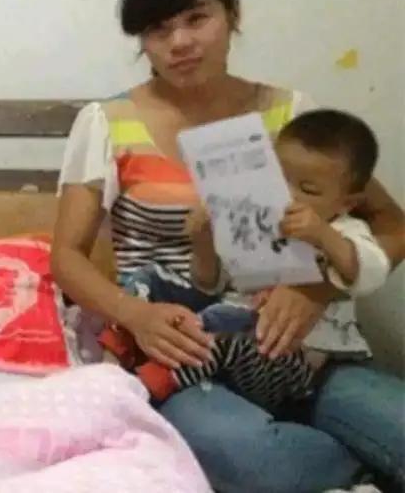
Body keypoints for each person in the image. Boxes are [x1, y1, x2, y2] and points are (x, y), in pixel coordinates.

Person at [52, 0, 405, 492]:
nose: (180, 42)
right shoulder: (107, 122)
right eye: (159, 30)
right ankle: (359, 468)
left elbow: (392, 225)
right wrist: (135, 315)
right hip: (187, 356)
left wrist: (317, 290)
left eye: (197, 18)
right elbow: (66, 256)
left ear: (232, 14)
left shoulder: (293, 115)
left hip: (309, 352)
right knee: (258, 463)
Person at [100, 110, 395, 422]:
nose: (288, 196)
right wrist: (204, 240)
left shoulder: (345, 231)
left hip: (294, 364)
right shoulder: (255, 218)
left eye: (308, 190)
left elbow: (371, 272)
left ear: (347, 203)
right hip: (240, 344)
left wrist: (324, 236)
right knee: (152, 281)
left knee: (219, 327)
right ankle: (114, 355)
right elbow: (209, 283)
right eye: (278, 180)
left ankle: (147, 387)